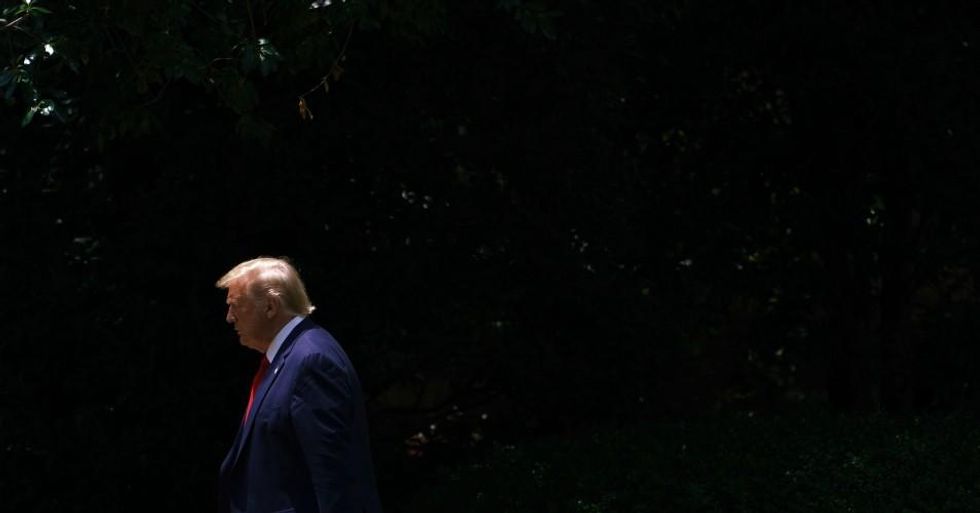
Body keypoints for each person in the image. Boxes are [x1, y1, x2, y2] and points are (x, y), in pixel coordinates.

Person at [216, 257, 382, 513]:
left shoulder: (311, 361)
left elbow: (334, 479)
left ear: (270, 307)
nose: (229, 317)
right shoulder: (290, 356)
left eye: (235, 305)